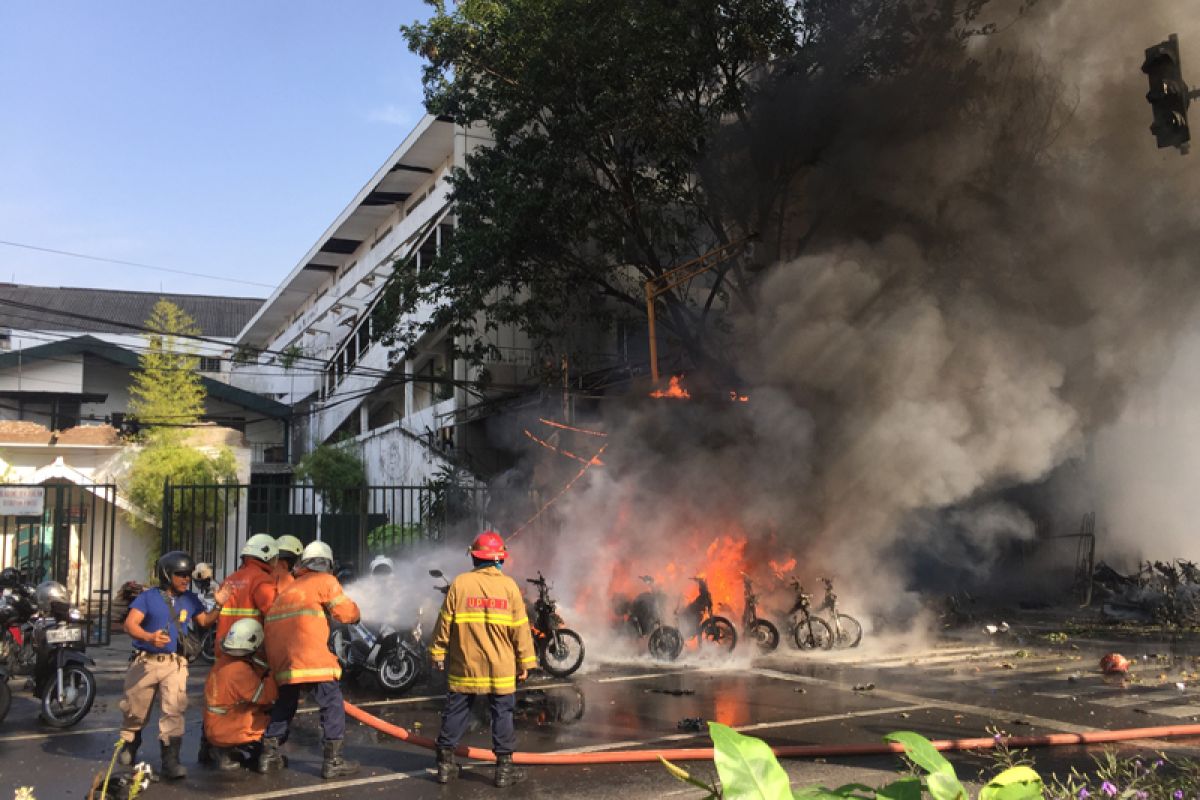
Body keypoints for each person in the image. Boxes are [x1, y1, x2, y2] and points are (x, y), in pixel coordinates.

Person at [431, 530, 536, 787]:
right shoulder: (509, 586)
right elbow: (520, 629)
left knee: (456, 709)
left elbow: (444, 623)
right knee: (502, 713)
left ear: (474, 558)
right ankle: (503, 771)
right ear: (500, 559)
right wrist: (526, 662)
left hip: (465, 662)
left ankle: (445, 766)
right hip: (500, 665)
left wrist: (437, 652)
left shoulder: (460, 583)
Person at [120, 550, 228, 779]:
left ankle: (171, 761)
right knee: (135, 711)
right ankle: (130, 741)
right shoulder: (148, 597)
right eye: (180, 574)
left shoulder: (190, 599)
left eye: (188, 574)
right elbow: (130, 625)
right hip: (146, 663)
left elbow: (205, 622)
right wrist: (149, 637)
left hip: (175, 664)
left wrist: (218, 606)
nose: (186, 579)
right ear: (167, 574)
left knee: (174, 711)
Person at [259, 540, 361, 779]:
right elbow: (346, 613)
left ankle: (269, 754)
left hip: (282, 660)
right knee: (332, 701)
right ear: (326, 564)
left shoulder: (289, 590)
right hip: (309, 655)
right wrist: (356, 614)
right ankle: (333, 760)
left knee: (286, 702)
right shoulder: (325, 581)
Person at [202, 619, 277, 771]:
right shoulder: (239, 670)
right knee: (275, 717)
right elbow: (266, 696)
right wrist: (275, 672)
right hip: (226, 728)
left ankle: (221, 751)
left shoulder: (223, 662)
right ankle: (265, 755)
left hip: (213, 726)